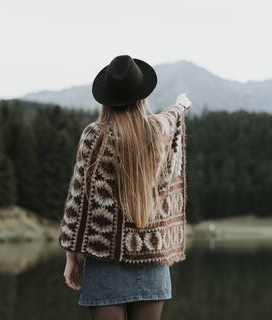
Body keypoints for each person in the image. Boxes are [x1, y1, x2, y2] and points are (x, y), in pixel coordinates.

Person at [58, 55, 191, 320]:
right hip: (153, 258)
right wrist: (181, 105)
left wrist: (71, 255)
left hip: (105, 259)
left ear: (107, 99)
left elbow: (78, 200)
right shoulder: (157, 131)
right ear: (142, 97)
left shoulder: (94, 135)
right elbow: (170, 116)